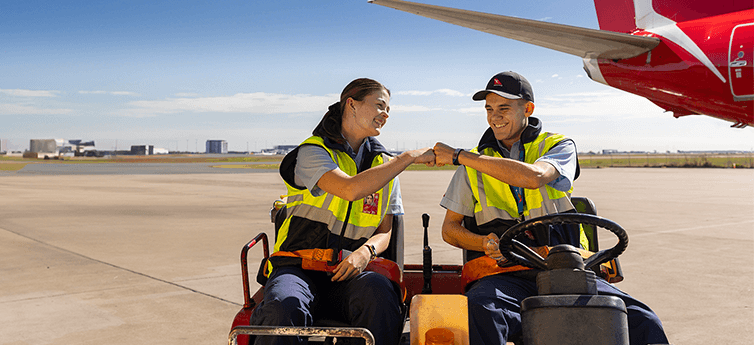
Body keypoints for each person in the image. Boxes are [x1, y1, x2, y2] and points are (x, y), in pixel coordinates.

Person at [433, 71, 668, 345]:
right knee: (481, 309)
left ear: (528, 109)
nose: (494, 117)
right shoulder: (471, 166)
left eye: (504, 108)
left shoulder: (557, 145)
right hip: (506, 276)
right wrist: (484, 241)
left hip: (568, 270)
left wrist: (461, 155)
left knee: (643, 321)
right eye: (489, 109)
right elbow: (450, 230)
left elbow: (534, 177)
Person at [250, 78, 435, 345]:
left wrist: (364, 253)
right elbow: (349, 189)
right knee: (283, 306)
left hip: (351, 272)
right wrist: (407, 158)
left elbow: (385, 230)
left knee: (380, 295)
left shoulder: (384, 166)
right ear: (351, 104)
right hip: (300, 268)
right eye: (379, 106)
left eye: (388, 111)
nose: (385, 114)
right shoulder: (313, 152)